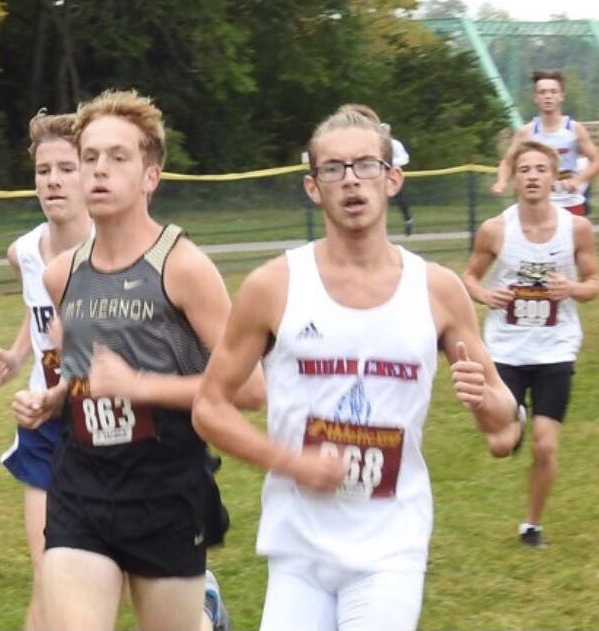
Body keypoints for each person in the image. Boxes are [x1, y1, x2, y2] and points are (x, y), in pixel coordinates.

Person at [192, 103, 522, 631]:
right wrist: (293, 461)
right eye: (334, 169)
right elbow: (209, 408)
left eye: (366, 165)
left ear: (392, 179)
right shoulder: (273, 286)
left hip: (391, 545)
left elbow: (503, 424)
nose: (351, 181)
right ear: (312, 186)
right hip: (298, 548)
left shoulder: (437, 290)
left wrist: (486, 397)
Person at [11, 88, 262, 631]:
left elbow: (249, 390)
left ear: (150, 175)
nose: (99, 171)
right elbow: (83, 376)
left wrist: (141, 386)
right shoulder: (62, 274)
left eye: (118, 158)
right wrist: (51, 399)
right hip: (82, 483)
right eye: (90, 158)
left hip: (165, 488)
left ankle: (202, 617)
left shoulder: (184, 267)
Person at [0, 109, 93, 630]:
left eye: (66, 169)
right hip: (44, 426)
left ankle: (200, 600)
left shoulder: (113, 248)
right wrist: (17, 354)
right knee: (50, 574)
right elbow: (35, 305)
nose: (53, 181)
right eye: (43, 171)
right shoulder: (24, 251)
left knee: (115, 572)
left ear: (88, 172)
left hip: (110, 422)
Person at [463, 139, 599, 548]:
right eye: (525, 170)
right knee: (501, 446)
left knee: (544, 446)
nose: (533, 176)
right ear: (515, 178)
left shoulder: (575, 228)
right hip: (505, 349)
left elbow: (593, 284)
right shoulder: (495, 230)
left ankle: (531, 526)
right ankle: (513, 418)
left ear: (554, 177)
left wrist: (571, 287)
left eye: (541, 169)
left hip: (555, 348)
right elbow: (469, 277)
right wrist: (486, 296)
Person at [491, 68, 599, 216]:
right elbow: (508, 161)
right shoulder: (526, 132)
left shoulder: (574, 129)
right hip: (539, 204)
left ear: (562, 96)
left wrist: (578, 180)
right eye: (542, 92)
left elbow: (596, 160)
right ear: (535, 97)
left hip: (570, 203)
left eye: (553, 92)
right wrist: (501, 182)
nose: (548, 96)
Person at [381, 122, 414, 235]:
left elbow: (405, 158)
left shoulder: (395, 144)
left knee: (400, 200)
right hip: (379, 176)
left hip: (392, 176)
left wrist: (391, 163)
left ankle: (408, 221)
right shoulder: (376, 145)